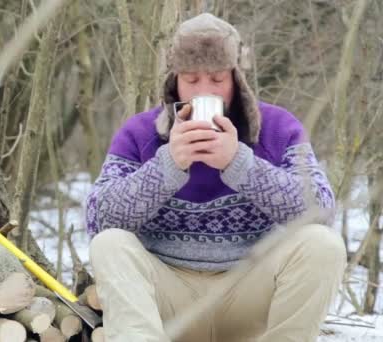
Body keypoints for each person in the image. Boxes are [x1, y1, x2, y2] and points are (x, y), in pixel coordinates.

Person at [85, 12, 346, 342]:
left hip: (248, 293)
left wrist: (240, 164)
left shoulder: (278, 128)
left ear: (237, 79)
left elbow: (321, 211)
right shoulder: (140, 133)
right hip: (167, 299)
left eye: (217, 79)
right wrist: (167, 166)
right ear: (174, 80)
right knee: (110, 243)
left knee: (323, 244)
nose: (203, 91)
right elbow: (98, 218)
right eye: (191, 80)